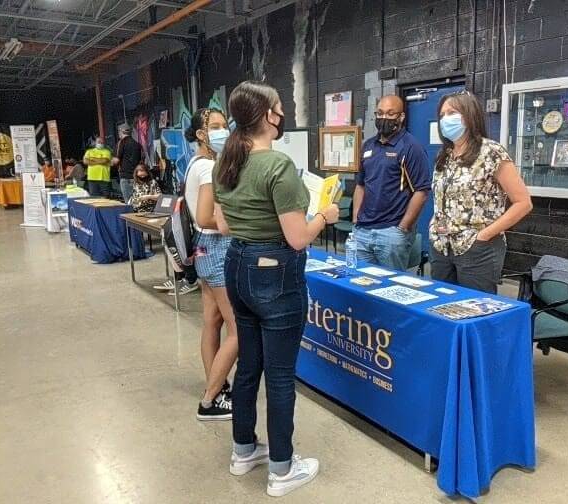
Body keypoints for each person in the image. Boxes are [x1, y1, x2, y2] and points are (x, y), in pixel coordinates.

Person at [214, 81, 339, 497]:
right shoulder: (277, 166)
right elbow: (299, 238)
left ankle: (243, 450)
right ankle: (283, 469)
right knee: (281, 375)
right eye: (280, 108)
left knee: (249, 365)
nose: (283, 115)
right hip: (275, 273)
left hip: (237, 265)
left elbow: (225, 224)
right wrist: (325, 214)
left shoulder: (224, 163)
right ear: (268, 116)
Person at [429, 91, 533, 293]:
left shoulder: (491, 152)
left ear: (469, 115)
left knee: (473, 310)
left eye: (451, 113)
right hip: (441, 245)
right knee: (440, 308)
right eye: (442, 115)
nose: (445, 119)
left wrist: (484, 235)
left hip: (477, 248)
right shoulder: (446, 155)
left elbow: (523, 203)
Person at [182, 107, 238, 421]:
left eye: (224, 125)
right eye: (215, 127)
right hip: (216, 248)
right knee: (239, 329)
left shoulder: (197, 164)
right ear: (201, 135)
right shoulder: (209, 169)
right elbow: (206, 217)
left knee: (212, 321)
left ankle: (216, 386)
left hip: (203, 249)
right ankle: (210, 399)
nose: (222, 131)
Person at [352, 95, 431, 270]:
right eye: (379, 113)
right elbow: (360, 185)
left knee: (389, 288)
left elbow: (422, 191)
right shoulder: (368, 146)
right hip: (362, 231)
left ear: (401, 117)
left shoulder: (411, 147)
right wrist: (356, 218)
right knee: (359, 285)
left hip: (391, 233)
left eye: (390, 113)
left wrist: (402, 228)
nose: (384, 118)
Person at [113, 124, 142, 203]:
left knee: (128, 202)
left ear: (121, 131)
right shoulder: (137, 144)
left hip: (125, 177)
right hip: (136, 177)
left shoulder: (121, 143)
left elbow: (116, 160)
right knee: (137, 201)